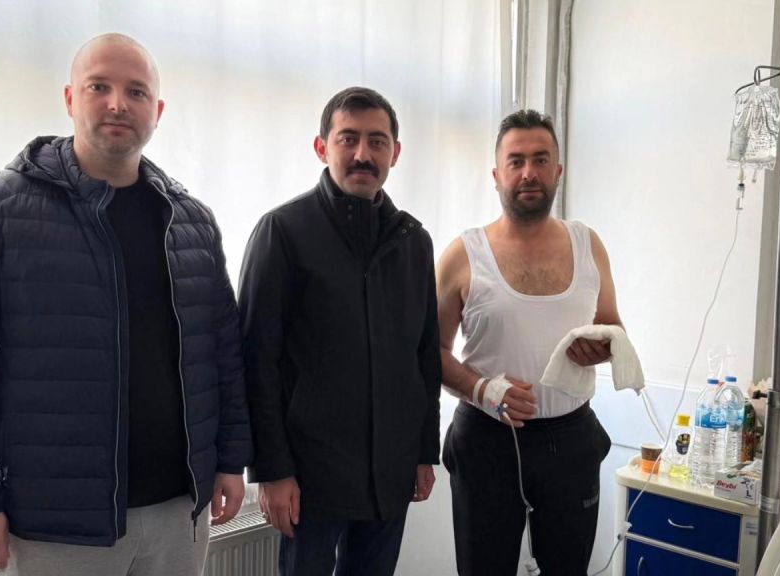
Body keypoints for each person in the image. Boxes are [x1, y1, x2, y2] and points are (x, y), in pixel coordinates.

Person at [0, 34, 252, 576]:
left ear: (157, 111)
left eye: (136, 92)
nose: (117, 104)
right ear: (69, 98)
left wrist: (230, 459)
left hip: (178, 510)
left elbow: (221, 353)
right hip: (53, 523)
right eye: (99, 86)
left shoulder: (191, 222)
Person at [238, 86, 441, 576]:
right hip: (310, 476)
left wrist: (423, 452)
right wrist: (271, 470)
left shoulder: (413, 241)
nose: (362, 154)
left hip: (390, 472)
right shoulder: (283, 232)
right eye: (348, 138)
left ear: (395, 152)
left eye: (377, 141)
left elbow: (424, 356)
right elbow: (255, 361)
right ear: (321, 147)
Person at [437, 109, 618, 576]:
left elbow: (613, 328)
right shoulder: (464, 254)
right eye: (515, 161)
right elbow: (429, 352)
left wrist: (604, 347)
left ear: (558, 171)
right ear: (496, 175)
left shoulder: (588, 245)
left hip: (571, 439)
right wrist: (480, 389)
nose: (529, 172)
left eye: (540, 159)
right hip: (486, 441)